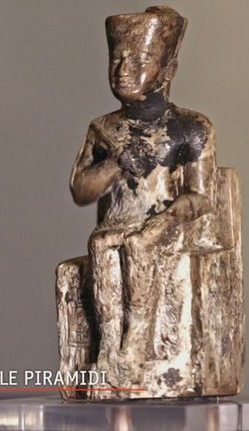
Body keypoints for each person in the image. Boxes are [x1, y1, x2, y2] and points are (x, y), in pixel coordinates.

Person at [69, 6, 216, 391]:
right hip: (118, 221)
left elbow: (202, 196)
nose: (122, 69)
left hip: (166, 224)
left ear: (167, 70)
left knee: (139, 244)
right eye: (117, 59)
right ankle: (110, 348)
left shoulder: (190, 127)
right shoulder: (104, 128)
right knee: (101, 244)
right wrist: (114, 164)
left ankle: (136, 345)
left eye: (139, 60)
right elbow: (81, 190)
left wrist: (166, 219)